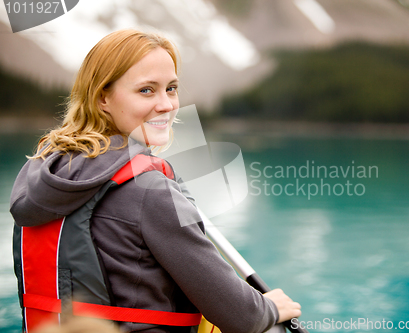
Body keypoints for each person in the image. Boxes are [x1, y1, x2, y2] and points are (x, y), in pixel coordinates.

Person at [10, 29, 301, 333]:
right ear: (103, 98)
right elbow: (241, 316)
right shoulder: (150, 189)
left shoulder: (43, 172)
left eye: (171, 88)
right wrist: (269, 307)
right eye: (147, 90)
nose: (166, 105)